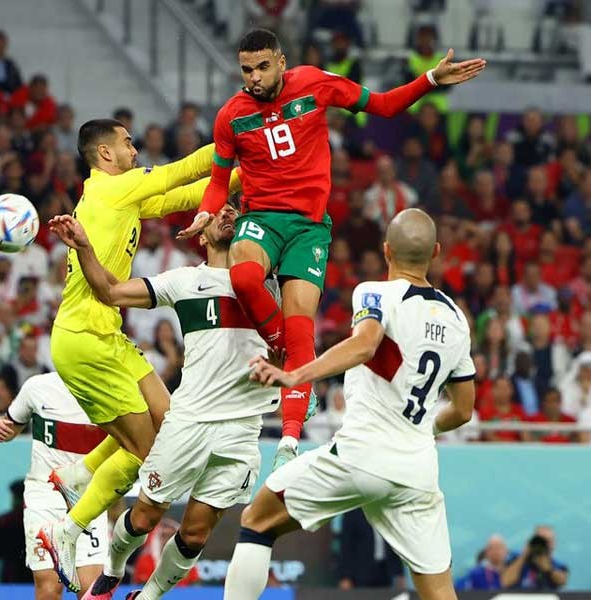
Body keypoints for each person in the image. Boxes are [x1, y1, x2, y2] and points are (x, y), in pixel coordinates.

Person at [178, 29, 484, 468]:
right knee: (243, 277)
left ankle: (288, 443)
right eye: (246, 70)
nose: (254, 77)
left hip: (309, 229)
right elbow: (217, 182)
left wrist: (431, 80)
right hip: (262, 218)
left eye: (262, 67)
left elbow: (384, 105)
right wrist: (207, 213)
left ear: (281, 62)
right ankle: (282, 348)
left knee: (302, 329)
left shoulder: (315, 83)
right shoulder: (231, 116)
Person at [223, 209, 477, 600]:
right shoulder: (457, 319)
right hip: (417, 470)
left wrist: (295, 375)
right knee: (440, 589)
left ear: (386, 250)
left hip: (361, 456)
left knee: (258, 520)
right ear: (436, 253)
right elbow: (463, 410)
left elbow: (365, 344)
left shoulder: (375, 293)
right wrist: (425, 428)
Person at [37, 118, 241, 593]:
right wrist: (238, 140)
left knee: (167, 421)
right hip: (85, 340)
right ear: (105, 154)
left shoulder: (119, 195)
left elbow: (183, 197)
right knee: (151, 456)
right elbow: (182, 170)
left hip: (106, 334)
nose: (135, 150)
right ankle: (67, 529)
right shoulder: (113, 189)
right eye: (128, 143)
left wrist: (242, 177)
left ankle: (78, 474)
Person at [47, 203, 280, 600]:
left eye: (234, 211)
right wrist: (84, 248)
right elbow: (111, 291)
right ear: (200, 233)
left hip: (243, 429)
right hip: (188, 421)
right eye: (218, 211)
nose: (228, 214)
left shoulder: (269, 282)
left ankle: (148, 596)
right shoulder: (185, 281)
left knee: (195, 534)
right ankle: (112, 571)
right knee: (143, 518)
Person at [0, 373, 109, 599]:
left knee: (92, 591)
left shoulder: (111, 388)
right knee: (49, 589)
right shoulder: (37, 386)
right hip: (44, 496)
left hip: (90, 498)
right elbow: (10, 426)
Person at [500, 525, 569, 590]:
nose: (544, 544)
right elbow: (505, 582)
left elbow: (562, 582)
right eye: (540, 540)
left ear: (553, 544)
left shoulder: (558, 565)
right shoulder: (515, 558)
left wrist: (548, 569)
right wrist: (524, 555)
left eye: (548, 541)